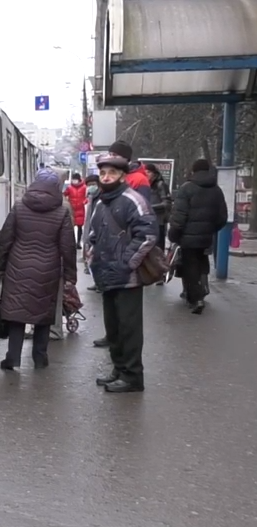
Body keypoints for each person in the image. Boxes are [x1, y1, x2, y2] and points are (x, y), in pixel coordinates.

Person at [87, 153, 158, 393]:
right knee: (114, 328)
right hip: (106, 275)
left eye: (112, 173)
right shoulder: (100, 201)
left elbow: (147, 235)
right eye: (103, 173)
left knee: (129, 329)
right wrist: (91, 253)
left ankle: (133, 376)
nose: (106, 177)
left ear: (122, 176)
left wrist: (126, 263)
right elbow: (94, 233)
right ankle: (119, 369)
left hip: (127, 277)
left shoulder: (133, 200)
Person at [0, 176, 77, 370]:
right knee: (43, 314)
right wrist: (71, 274)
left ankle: (12, 358)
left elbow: (5, 239)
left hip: (18, 266)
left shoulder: (19, 207)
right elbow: (68, 246)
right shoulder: (62, 211)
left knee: (17, 313)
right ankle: (40, 357)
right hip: (48, 269)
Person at [168, 158, 228, 314]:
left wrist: (174, 234)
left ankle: (196, 298)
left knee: (190, 266)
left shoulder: (186, 188)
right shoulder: (216, 190)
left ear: (193, 171)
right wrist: (211, 229)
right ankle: (203, 290)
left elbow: (179, 216)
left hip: (188, 238)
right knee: (202, 262)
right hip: (206, 236)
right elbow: (222, 217)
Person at [82, 174, 101, 276]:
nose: (90, 187)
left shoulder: (100, 198)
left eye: (93, 184)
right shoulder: (90, 197)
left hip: (96, 231)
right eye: (88, 185)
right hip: (90, 231)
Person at [64, 172, 88, 249]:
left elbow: (87, 196)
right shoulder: (69, 188)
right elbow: (64, 194)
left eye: (75, 179)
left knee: (80, 227)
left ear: (79, 179)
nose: (74, 181)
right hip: (72, 210)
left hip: (81, 209)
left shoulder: (84, 187)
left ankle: (78, 242)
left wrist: (85, 201)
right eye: (73, 179)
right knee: (70, 227)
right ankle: (72, 242)